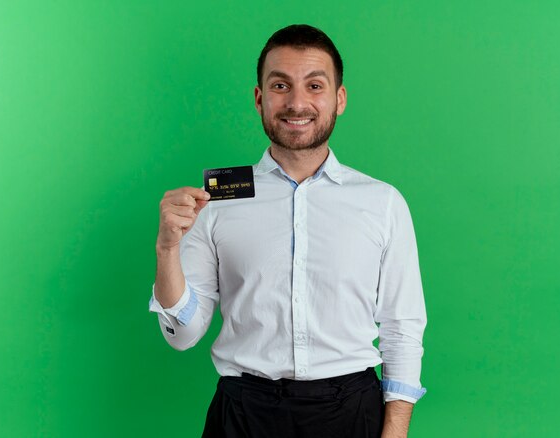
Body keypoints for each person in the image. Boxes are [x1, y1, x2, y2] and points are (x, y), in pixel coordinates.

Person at [149, 24, 427, 438]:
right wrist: (167, 249)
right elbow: (182, 336)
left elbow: (402, 327)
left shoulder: (383, 203)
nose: (297, 102)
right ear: (260, 99)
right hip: (243, 416)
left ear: (339, 98)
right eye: (281, 85)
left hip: (351, 412)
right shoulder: (217, 202)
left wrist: (396, 431)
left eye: (315, 85)